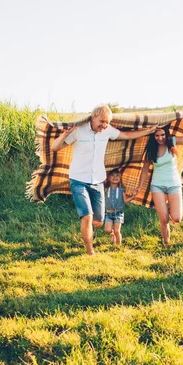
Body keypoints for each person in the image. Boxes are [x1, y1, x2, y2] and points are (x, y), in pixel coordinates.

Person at [51, 105, 156, 255]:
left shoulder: (107, 131)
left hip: (98, 180)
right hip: (78, 179)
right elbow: (55, 147)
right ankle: (90, 251)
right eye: (102, 121)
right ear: (93, 117)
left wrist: (148, 131)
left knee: (98, 221)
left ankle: (90, 230)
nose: (104, 125)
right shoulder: (78, 131)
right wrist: (64, 135)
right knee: (87, 215)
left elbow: (126, 136)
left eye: (107, 122)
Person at [136, 115, 183, 246]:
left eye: (162, 135)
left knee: (176, 218)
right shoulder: (151, 149)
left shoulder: (173, 142)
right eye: (157, 136)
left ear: (166, 133)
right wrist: (139, 186)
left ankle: (170, 212)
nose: (160, 138)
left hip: (174, 184)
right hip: (157, 185)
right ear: (153, 136)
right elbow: (145, 169)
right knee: (163, 219)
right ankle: (166, 243)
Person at [104, 169, 133, 245]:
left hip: (118, 213)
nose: (115, 177)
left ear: (120, 178)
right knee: (107, 230)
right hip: (108, 213)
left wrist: (133, 196)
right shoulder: (106, 189)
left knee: (117, 231)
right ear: (108, 177)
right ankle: (112, 234)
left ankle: (118, 247)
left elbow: (125, 200)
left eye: (117, 175)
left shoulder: (121, 190)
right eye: (112, 175)